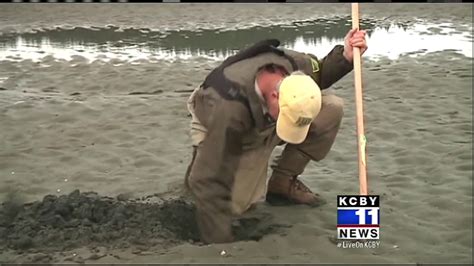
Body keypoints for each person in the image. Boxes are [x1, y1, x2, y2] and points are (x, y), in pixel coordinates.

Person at [185, 28, 367, 243]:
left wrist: (346, 56)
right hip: (231, 133)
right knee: (236, 207)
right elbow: (206, 176)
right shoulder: (228, 108)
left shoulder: (295, 67)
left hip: (265, 119)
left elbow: (320, 74)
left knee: (332, 107)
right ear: (275, 95)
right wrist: (219, 238)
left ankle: (283, 183)